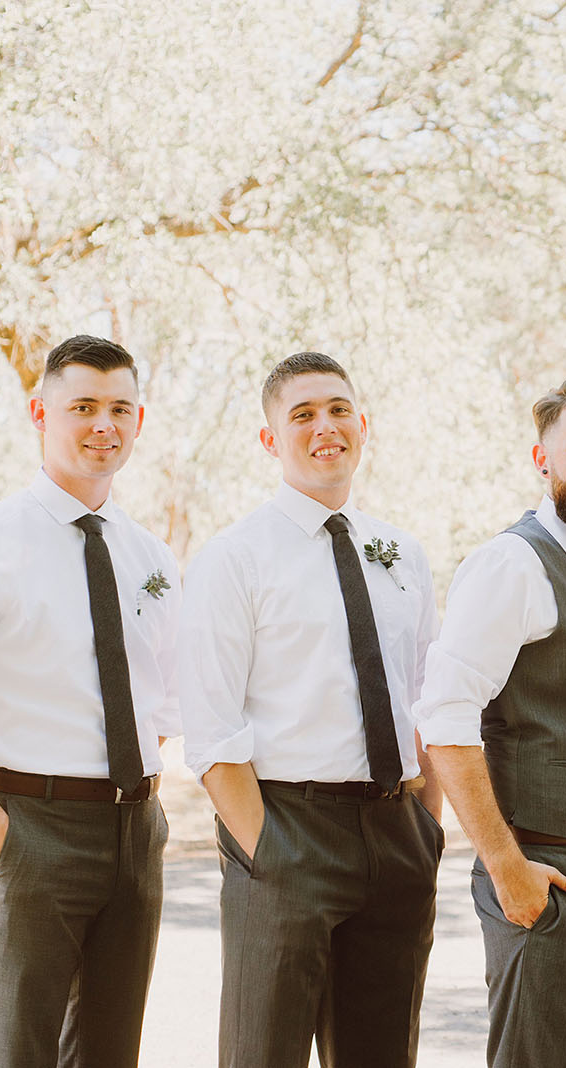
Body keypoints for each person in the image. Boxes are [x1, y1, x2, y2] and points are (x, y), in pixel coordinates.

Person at [0, 335, 178, 1068]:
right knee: (19, 1050)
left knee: (111, 1052)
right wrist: (4, 842)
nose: (102, 425)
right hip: (30, 828)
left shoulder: (150, 556)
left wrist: (141, 808)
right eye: (82, 406)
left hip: (136, 831)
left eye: (119, 408)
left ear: (138, 421)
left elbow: (157, 698)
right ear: (39, 412)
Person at [180, 352, 443, 1068]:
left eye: (337, 409)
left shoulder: (403, 554)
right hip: (287, 831)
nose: (325, 426)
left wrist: (426, 824)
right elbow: (210, 730)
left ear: (364, 425)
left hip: (397, 835)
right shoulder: (234, 558)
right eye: (302, 415)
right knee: (264, 1054)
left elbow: (429, 701)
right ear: (271, 440)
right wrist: (269, 851)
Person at [414, 373, 566, 1068]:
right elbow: (446, 718)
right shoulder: (510, 565)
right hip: (548, 875)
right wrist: (505, 865)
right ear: (541, 458)